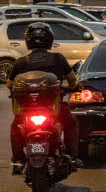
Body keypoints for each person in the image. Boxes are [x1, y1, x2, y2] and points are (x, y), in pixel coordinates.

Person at [6, 22, 80, 169]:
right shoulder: (58, 59)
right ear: (50, 40)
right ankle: (72, 157)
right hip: (54, 109)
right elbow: (72, 80)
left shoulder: (21, 62)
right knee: (71, 123)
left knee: (15, 128)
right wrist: (73, 88)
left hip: (27, 111)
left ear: (28, 41)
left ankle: (19, 159)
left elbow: (9, 85)